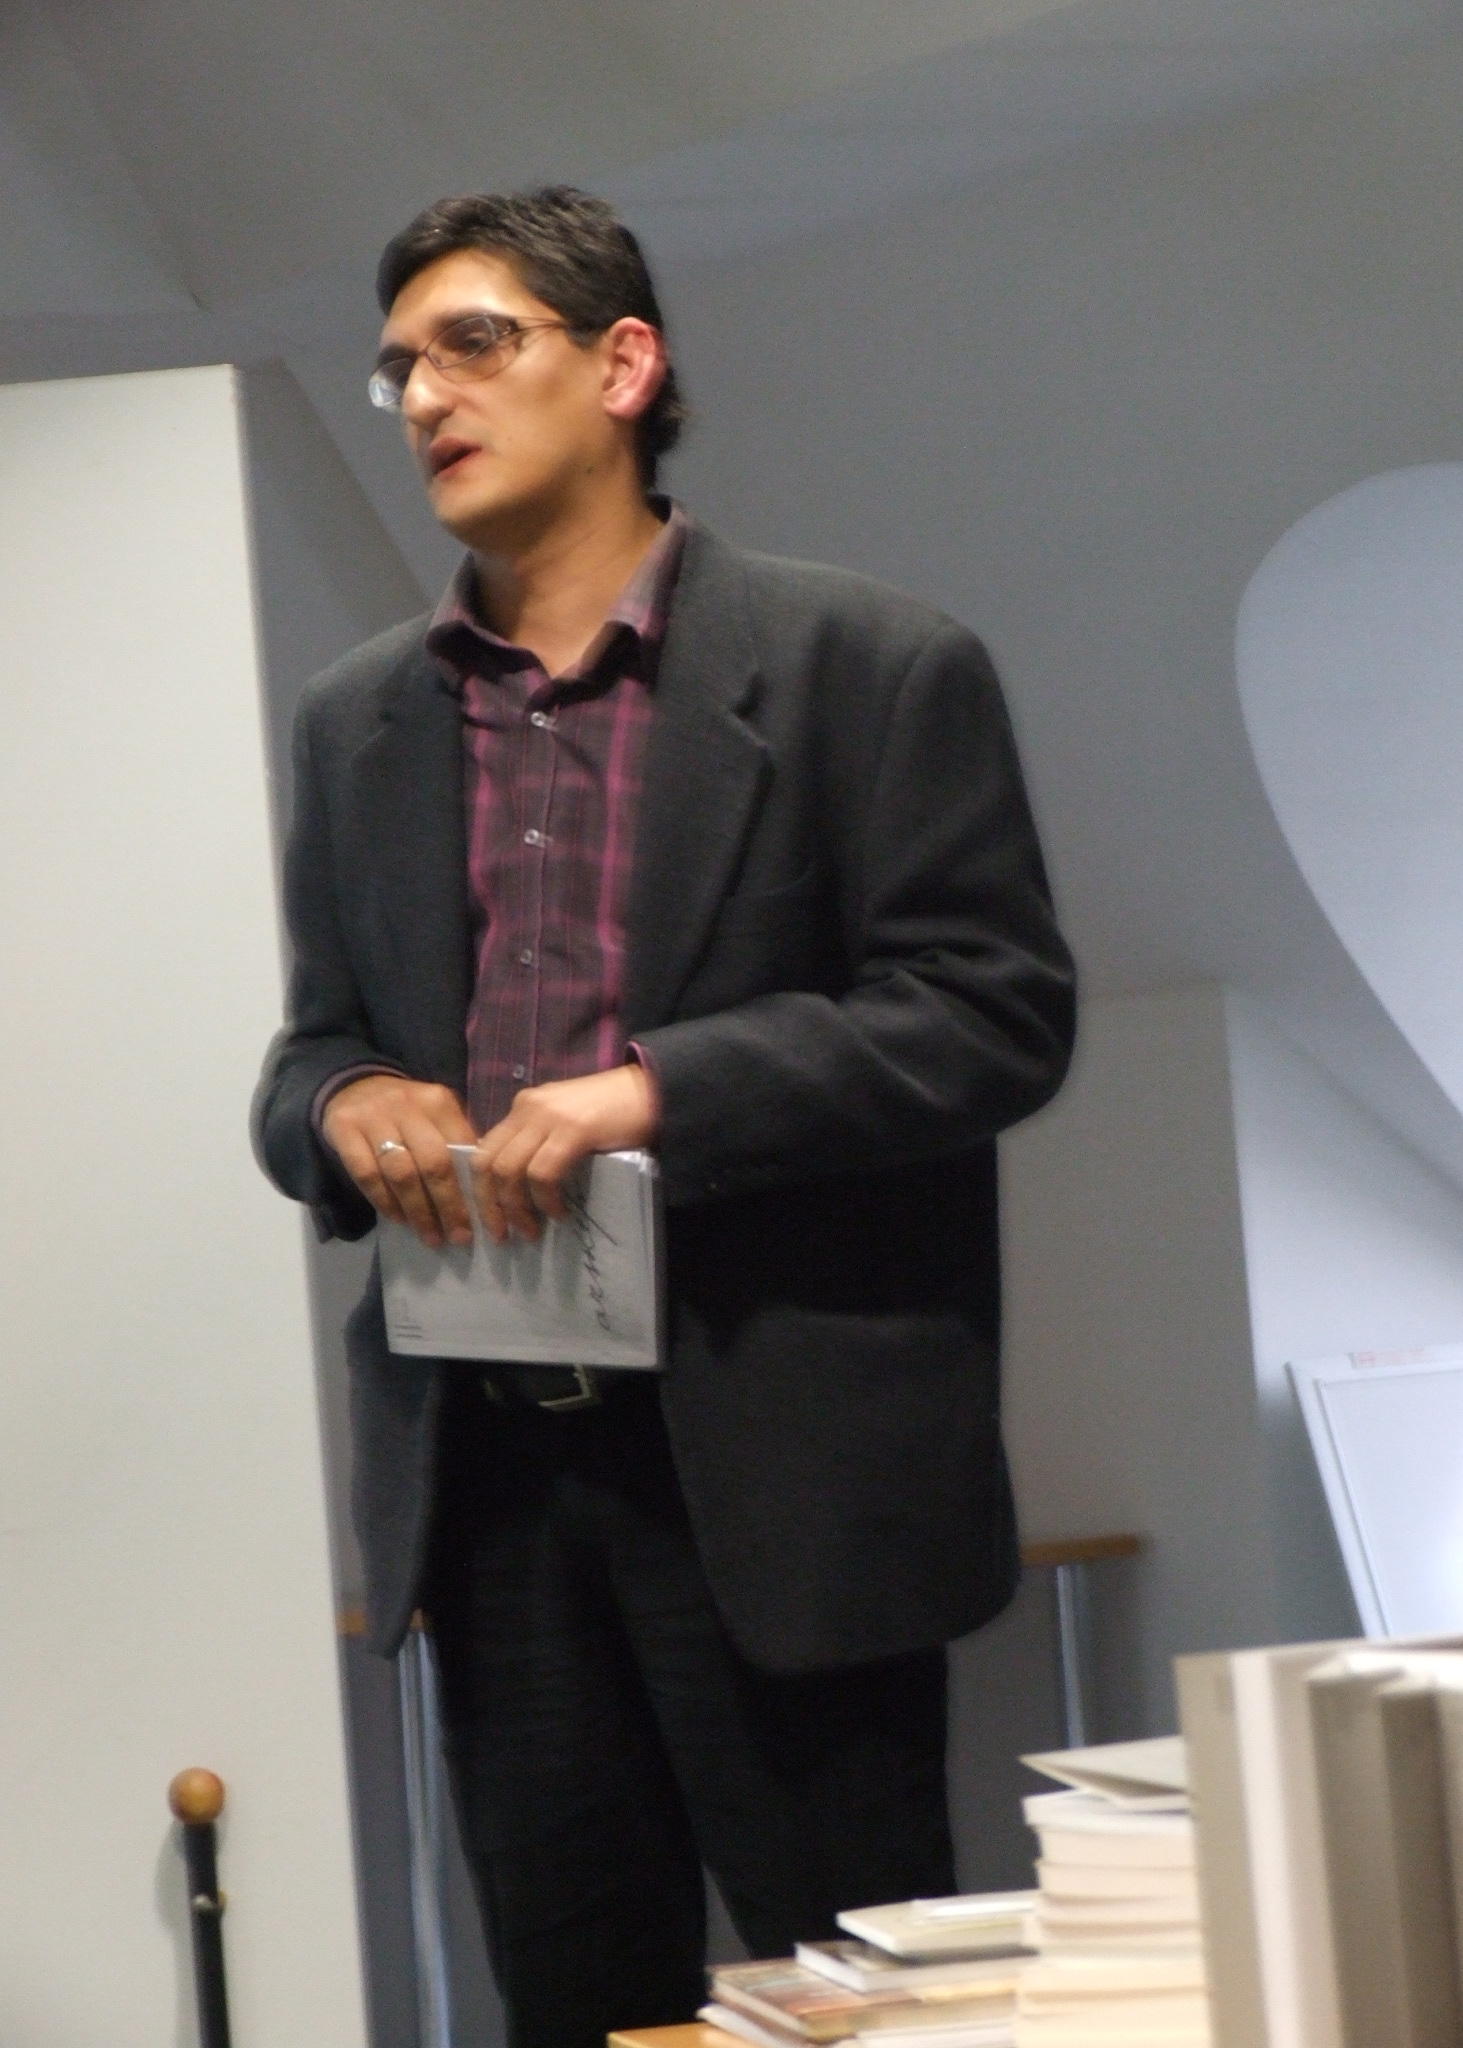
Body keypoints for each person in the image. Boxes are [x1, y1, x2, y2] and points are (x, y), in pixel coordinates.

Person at [253, 185, 1075, 2048]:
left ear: (624, 363)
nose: (425, 398)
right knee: (572, 2007)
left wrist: (661, 1094)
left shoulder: (872, 663)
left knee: (862, 2009)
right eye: (398, 369)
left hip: (780, 1474)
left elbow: (993, 1014)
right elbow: (308, 1053)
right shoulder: (356, 721)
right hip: (490, 1483)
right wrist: (353, 1101)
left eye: (474, 344)